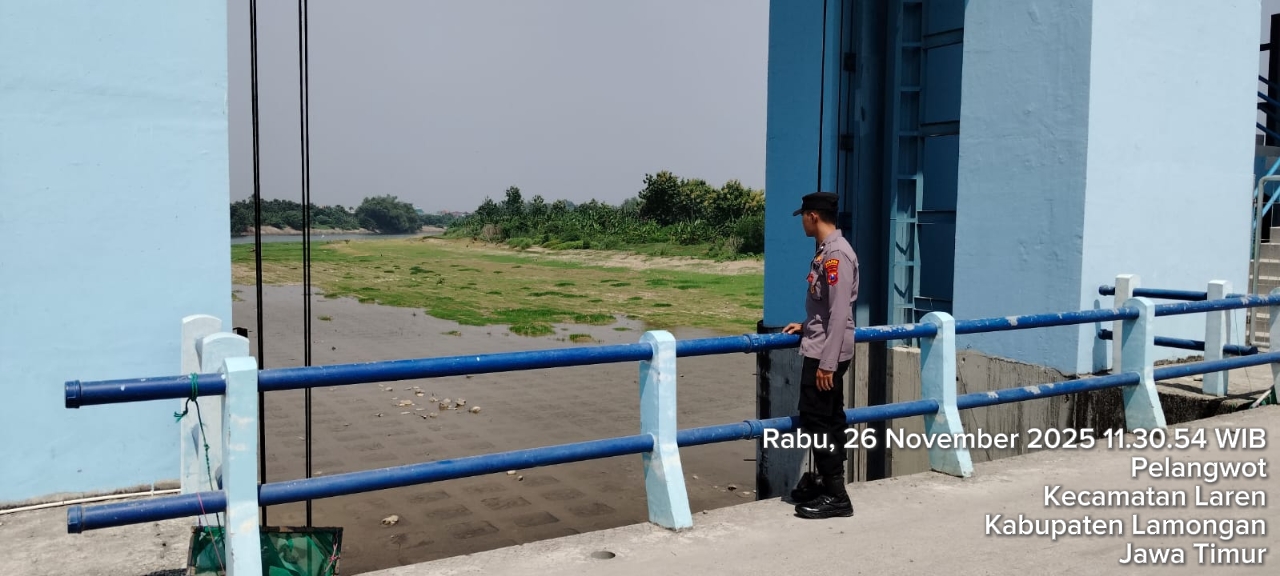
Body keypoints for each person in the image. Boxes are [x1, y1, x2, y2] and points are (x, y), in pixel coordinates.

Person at [781, 191, 858, 519]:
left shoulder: (836, 255)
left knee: (817, 422)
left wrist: (826, 364)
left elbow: (840, 312)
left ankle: (837, 495)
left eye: (803, 216)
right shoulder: (828, 250)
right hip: (824, 344)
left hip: (825, 353)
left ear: (813, 216)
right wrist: (807, 324)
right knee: (830, 417)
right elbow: (827, 308)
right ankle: (829, 485)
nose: (802, 222)